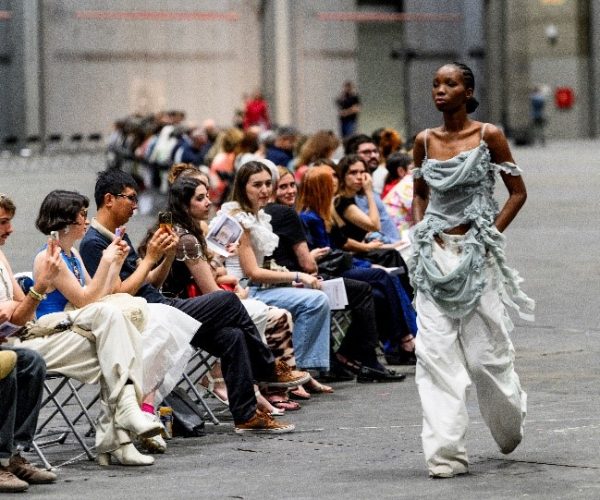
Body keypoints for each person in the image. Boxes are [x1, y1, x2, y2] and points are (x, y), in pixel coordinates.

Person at [80, 169, 308, 434]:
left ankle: (246, 416)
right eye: (130, 198)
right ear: (109, 199)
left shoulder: (117, 234)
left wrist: (164, 257)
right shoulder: (94, 244)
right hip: (147, 314)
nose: (135, 205)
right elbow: (119, 292)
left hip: (157, 304)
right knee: (227, 301)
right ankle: (268, 369)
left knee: (232, 336)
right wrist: (152, 257)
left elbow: (150, 283)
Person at [410, 62, 535, 478]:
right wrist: (421, 234)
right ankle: (445, 454)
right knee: (435, 356)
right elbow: (420, 195)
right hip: (434, 256)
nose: (440, 90)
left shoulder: (489, 135)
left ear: (468, 90)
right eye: (435, 84)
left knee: (484, 358)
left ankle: (508, 420)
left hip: (476, 255)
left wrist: (487, 236)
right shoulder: (423, 141)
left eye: (449, 83)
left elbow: (517, 193)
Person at [160, 174, 309, 410]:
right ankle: (265, 371)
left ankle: (247, 393)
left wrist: (219, 260)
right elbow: (212, 291)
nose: (208, 202)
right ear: (184, 204)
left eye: (207, 196)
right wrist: (235, 292)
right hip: (183, 309)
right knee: (247, 308)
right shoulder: (186, 238)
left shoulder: (186, 231)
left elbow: (209, 277)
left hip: (186, 304)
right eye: (200, 198)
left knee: (238, 331)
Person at [268, 168, 408, 380]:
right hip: (306, 279)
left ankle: (347, 354)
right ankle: (392, 346)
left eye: (291, 185)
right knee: (373, 282)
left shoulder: (311, 214)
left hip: (308, 276)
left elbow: (334, 248)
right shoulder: (300, 216)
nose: (289, 191)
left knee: (378, 293)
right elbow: (309, 263)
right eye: (282, 187)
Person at [219, 161, 331, 375]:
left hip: (257, 287)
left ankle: (300, 369)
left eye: (268, 184)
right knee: (316, 300)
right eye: (257, 185)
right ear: (243, 188)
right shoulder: (238, 219)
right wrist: (298, 275)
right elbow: (252, 272)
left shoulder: (258, 216)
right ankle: (293, 370)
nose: (264, 190)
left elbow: (260, 266)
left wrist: (288, 275)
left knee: (317, 295)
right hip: (243, 291)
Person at [0, 195, 58, 491]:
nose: (10, 229)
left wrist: (34, 292)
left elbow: (23, 312)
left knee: (32, 362)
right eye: (2, 222)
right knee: (8, 362)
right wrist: (40, 287)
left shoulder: (1, 256)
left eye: (9, 221)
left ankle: (15, 454)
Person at [345, 135, 400, 242]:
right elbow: (368, 230)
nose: (373, 155)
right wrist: (387, 243)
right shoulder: (355, 191)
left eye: (375, 151)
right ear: (353, 157)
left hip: (396, 246)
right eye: (367, 152)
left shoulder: (368, 185)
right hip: (385, 249)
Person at [382, 152, 414, 240]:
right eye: (412, 169)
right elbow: (416, 208)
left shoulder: (389, 186)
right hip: (400, 234)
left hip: (390, 233)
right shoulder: (407, 183)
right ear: (401, 171)